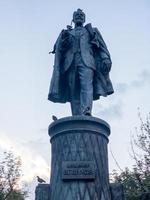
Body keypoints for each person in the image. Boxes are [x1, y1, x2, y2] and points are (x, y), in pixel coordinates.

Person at [48, 9, 114, 115]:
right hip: (70, 63)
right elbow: (59, 48)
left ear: (84, 19)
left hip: (87, 62)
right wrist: (63, 39)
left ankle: (86, 111)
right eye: (77, 15)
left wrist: (105, 58)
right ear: (73, 19)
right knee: (73, 89)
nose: (79, 16)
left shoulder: (91, 30)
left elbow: (101, 47)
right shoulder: (67, 32)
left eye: (81, 15)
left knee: (86, 86)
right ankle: (76, 115)